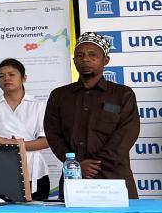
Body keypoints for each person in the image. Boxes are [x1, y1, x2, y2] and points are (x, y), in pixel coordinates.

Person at [44, 32, 140, 198]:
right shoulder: (59, 96)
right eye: (80, 55)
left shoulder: (122, 94)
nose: (85, 59)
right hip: (74, 179)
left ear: (106, 60)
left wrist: (96, 165)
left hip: (113, 180)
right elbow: (53, 134)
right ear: (74, 60)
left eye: (92, 55)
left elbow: (127, 133)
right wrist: (76, 165)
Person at [0, 58, 51, 199]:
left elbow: (46, 141)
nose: (6, 78)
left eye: (11, 74)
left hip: (34, 172)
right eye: (1, 76)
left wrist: (16, 145)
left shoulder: (38, 106)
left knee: (35, 211)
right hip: (0, 170)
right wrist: (10, 145)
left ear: (24, 78)